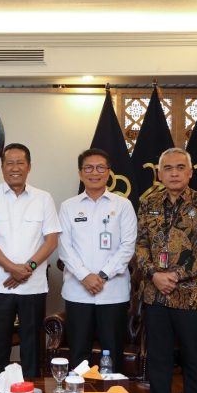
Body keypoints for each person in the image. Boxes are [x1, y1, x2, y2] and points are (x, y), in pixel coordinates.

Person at [135, 147, 197, 393]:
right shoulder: (148, 203)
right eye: (168, 168)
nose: (174, 173)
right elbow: (140, 246)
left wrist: (175, 276)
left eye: (180, 167)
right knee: (159, 358)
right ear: (159, 174)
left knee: (192, 359)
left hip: (191, 296)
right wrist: (154, 274)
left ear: (190, 172)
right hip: (155, 295)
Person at [0, 143, 61, 379]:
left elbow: (51, 241)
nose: (15, 168)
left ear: (29, 167)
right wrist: (12, 268)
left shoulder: (43, 198)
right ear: (2, 167)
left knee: (32, 346)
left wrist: (27, 269)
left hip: (33, 286)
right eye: (10, 163)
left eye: (20, 163)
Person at [58, 148, 137, 371]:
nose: (95, 173)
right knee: (78, 353)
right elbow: (64, 247)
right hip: (77, 291)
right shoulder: (68, 206)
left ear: (109, 172)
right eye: (89, 168)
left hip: (113, 292)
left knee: (112, 352)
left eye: (100, 168)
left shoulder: (123, 205)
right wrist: (85, 276)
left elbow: (128, 246)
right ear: (80, 173)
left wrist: (102, 275)